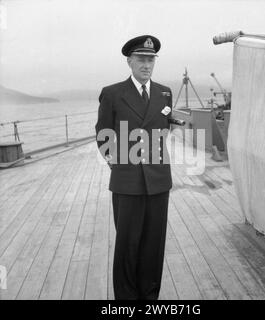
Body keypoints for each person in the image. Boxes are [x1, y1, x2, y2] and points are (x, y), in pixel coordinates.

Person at [95, 35, 173, 300]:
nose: (146, 65)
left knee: (154, 245)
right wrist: (116, 163)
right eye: (141, 59)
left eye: (151, 60)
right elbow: (103, 134)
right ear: (129, 61)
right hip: (127, 182)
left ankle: (150, 297)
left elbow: (163, 129)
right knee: (128, 245)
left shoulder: (164, 92)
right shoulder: (113, 93)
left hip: (159, 181)